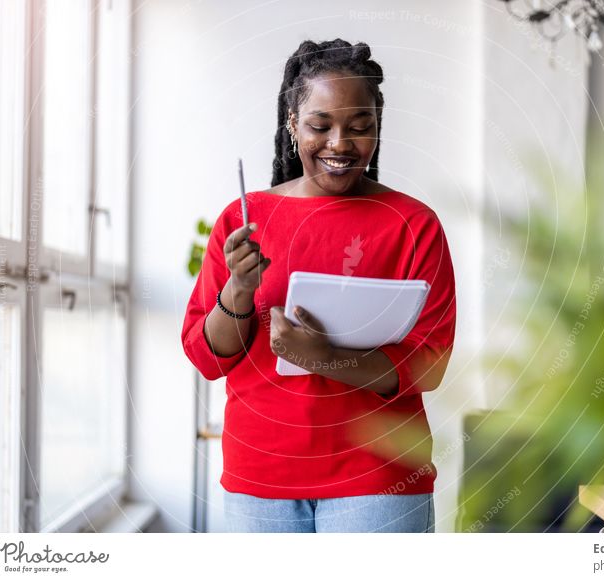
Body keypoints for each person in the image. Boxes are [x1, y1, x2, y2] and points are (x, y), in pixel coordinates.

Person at [181, 38, 456, 533]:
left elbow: (428, 365)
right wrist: (239, 291)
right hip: (260, 480)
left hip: (380, 480)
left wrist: (323, 357)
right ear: (292, 125)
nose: (340, 144)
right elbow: (207, 357)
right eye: (319, 125)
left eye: (359, 127)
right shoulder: (244, 221)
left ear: (377, 129)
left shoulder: (414, 224)